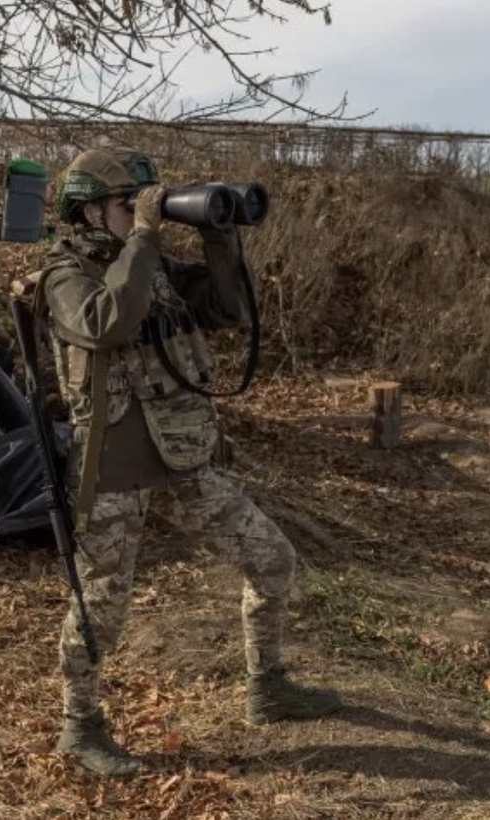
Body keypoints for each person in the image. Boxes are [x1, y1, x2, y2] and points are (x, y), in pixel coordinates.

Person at [30, 147, 340, 777]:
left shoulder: (154, 268)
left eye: (145, 202)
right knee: (102, 609)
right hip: (111, 468)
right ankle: (79, 725)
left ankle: (268, 685)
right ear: (90, 210)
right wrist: (143, 237)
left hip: (186, 460)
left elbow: (227, 309)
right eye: (128, 203)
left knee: (272, 558)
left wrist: (218, 237)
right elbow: (108, 321)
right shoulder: (65, 276)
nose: (142, 212)